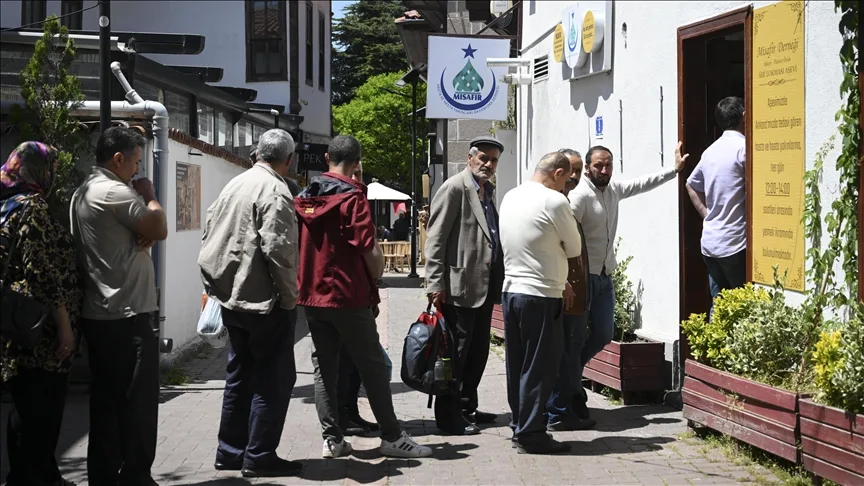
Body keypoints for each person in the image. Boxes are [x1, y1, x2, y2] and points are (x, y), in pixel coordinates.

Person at [295, 135, 432, 459]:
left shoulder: (306, 195)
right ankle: (392, 436)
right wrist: (377, 277)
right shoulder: (352, 196)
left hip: (313, 294)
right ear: (357, 162)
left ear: (327, 156)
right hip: (347, 293)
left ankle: (332, 439)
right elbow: (368, 249)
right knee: (371, 366)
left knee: (323, 367)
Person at [198, 129, 302, 478]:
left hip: (232, 298)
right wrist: (290, 299)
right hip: (262, 300)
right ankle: (258, 455)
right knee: (273, 378)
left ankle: (230, 452)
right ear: (288, 160)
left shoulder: (234, 184)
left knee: (239, 376)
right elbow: (280, 251)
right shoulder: (275, 190)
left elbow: (209, 229)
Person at [71, 126, 168, 486]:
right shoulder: (114, 191)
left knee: (107, 402)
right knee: (137, 403)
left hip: (101, 313)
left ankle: (104, 475)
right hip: (127, 314)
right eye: (136, 164)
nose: (137, 173)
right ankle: (136, 476)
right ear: (118, 159)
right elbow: (159, 227)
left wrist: (144, 231)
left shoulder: (85, 190)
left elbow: (143, 236)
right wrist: (150, 196)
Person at [568, 142, 689, 424]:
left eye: (608, 164)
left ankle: (573, 372)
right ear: (587, 167)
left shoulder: (613, 191)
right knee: (574, 338)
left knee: (603, 333)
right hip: (583, 278)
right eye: (598, 165)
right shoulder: (579, 197)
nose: (604, 169)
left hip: (605, 276)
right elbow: (566, 234)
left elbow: (642, 183)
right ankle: (570, 386)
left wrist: (674, 171)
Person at [1, 142, 81, 486]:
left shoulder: (6, 204)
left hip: (16, 325)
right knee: (42, 409)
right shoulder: (32, 207)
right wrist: (64, 326)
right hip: (42, 329)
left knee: (25, 405)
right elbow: (42, 271)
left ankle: (39, 473)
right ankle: (32, 476)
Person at [499, 152, 582, 454]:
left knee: (517, 364)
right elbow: (574, 247)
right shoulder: (554, 201)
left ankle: (519, 425)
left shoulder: (511, 195)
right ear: (557, 173)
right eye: (569, 176)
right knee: (540, 366)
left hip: (511, 291)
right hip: (541, 294)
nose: (570, 182)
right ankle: (532, 434)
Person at [424, 136, 505, 436]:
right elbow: (436, 239)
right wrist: (435, 283)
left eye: (493, 160)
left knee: (477, 352)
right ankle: (448, 416)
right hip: (457, 287)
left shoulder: (488, 190)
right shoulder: (455, 187)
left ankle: (467, 405)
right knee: (454, 355)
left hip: (484, 287)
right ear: (470, 158)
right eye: (483, 158)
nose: (488, 164)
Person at [546, 149, 596, 431]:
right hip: (563, 295)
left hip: (577, 296)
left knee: (571, 353)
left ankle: (565, 403)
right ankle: (557, 411)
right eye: (570, 171)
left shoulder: (565, 202)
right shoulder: (556, 204)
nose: (575, 176)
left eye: (578, 170)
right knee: (562, 355)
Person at [686, 97, 747, 311]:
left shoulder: (710, 151)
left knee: (719, 305)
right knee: (743, 306)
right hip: (735, 242)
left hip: (711, 241)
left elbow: (691, 184)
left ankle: (715, 344)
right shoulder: (744, 148)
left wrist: (707, 214)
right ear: (744, 117)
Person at [336, 161, 381, 436]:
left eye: (360, 173)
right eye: (352, 172)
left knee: (353, 364)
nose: (356, 178)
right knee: (345, 362)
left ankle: (350, 413)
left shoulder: (359, 197)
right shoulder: (345, 199)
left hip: (360, 293)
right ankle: (341, 417)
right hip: (346, 296)